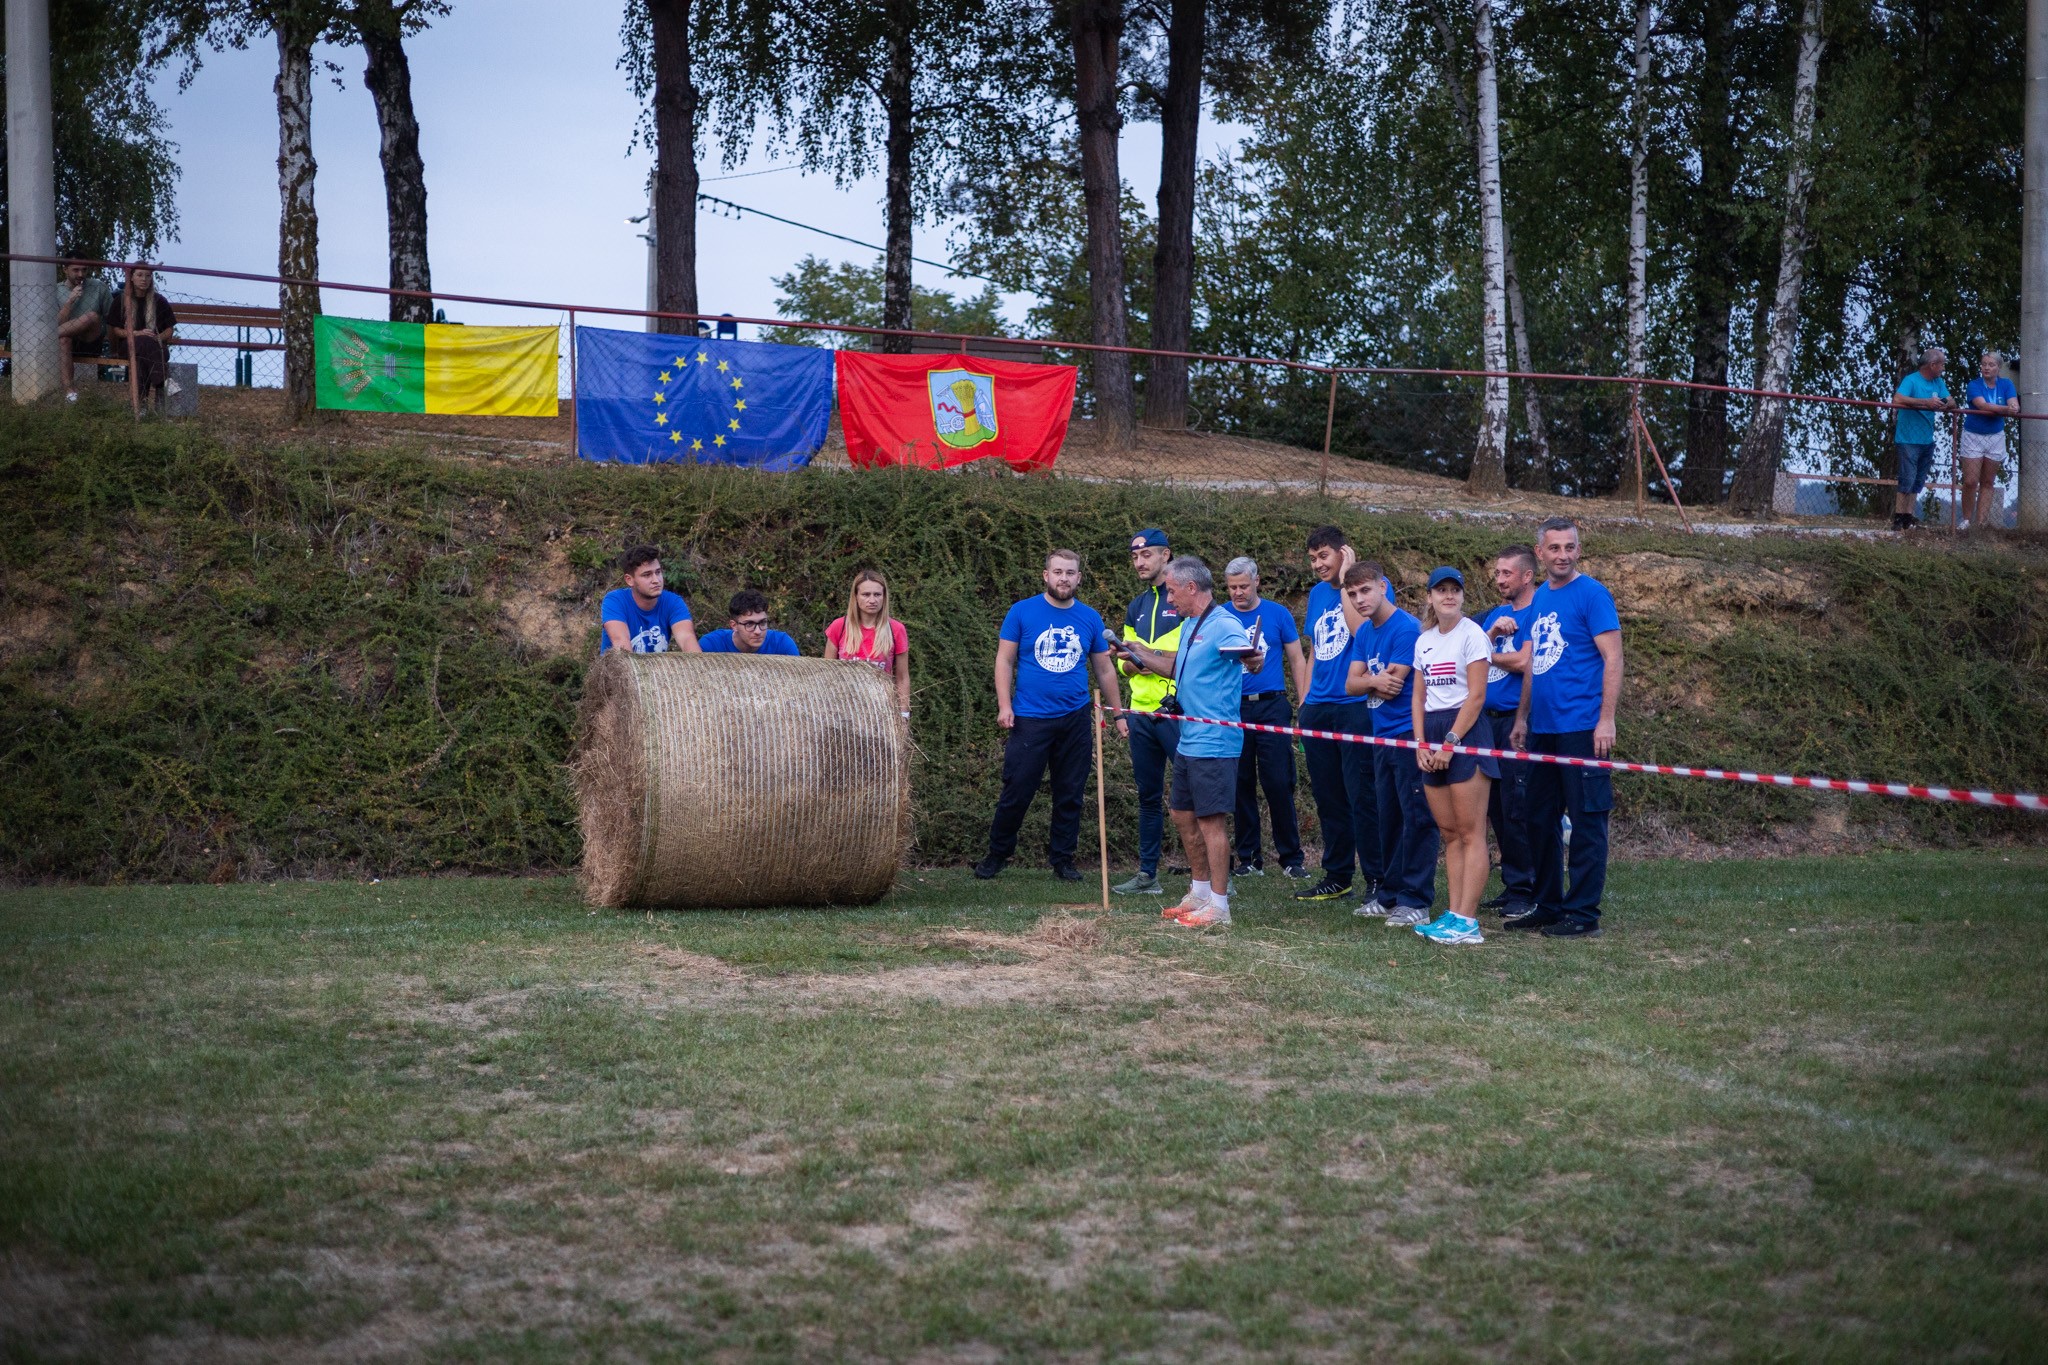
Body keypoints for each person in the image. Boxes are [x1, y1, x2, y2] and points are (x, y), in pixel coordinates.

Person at [1113, 557, 1252, 928]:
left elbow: (1249, 653)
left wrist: (1254, 658)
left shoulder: (1223, 624)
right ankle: (1200, 891)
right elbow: (1177, 666)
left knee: (1211, 822)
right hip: (1190, 738)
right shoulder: (1192, 624)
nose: (1169, 598)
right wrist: (1138, 652)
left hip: (1216, 739)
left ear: (1192, 588)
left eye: (1173, 591)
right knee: (1182, 815)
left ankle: (1220, 907)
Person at [977, 550, 1123, 883]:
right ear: (1046, 575)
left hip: (1075, 718)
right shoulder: (1022, 612)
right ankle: (997, 855)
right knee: (1017, 790)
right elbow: (1004, 661)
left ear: (1078, 578)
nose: (1063, 578)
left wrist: (1118, 714)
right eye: (1057, 572)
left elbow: (1103, 668)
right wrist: (1004, 705)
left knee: (1070, 792)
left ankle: (1063, 860)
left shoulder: (1090, 618)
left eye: (1070, 573)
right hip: (1030, 717)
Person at [1510, 518, 1623, 938]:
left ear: (1578, 549)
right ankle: (1548, 904)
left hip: (1582, 727)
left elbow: (1613, 657)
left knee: (1587, 821)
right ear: (1539, 553)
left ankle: (1583, 914)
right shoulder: (1539, 596)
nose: (1563, 555)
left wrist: (1605, 718)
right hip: (1543, 729)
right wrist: (1522, 717)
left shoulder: (1593, 594)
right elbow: (1533, 664)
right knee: (1538, 819)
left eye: (1570, 547)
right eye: (1554, 548)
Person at [1292, 526, 1383, 912]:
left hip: (1354, 706)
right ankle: (1337, 876)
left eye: (1324, 556)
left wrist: (1347, 579)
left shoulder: (1368, 588)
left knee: (1361, 795)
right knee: (1328, 797)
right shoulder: (1315, 595)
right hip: (1319, 707)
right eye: (1312, 558)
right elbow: (1315, 649)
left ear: (1344, 553)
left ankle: (1377, 879)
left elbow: (1360, 632)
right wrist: (1305, 701)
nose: (1317, 564)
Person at [1409, 568, 1500, 946]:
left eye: (1455, 590)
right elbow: (1418, 696)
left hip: (1465, 733)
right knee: (1449, 833)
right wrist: (1421, 743)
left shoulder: (1473, 635)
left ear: (1462, 597)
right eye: (1441, 590)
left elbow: (1476, 696)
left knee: (1470, 831)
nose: (1449, 596)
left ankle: (1468, 921)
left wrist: (1450, 742)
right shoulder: (1425, 640)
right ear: (1430, 597)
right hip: (1431, 734)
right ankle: (1453, 914)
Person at [1344, 564, 1437, 928]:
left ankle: (1416, 899)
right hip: (1380, 735)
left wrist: (1367, 679)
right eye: (1352, 594)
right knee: (1389, 817)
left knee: (1416, 818)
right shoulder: (1365, 632)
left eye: (1365, 590)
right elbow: (1349, 685)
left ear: (1383, 587)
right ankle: (1389, 895)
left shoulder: (1406, 628)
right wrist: (1371, 680)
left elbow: (1394, 685)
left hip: (1407, 736)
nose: (1359, 599)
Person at [1221, 556, 1309, 881]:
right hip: (1234, 707)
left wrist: (1304, 704)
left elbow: (1297, 659)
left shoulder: (1278, 614)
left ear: (1257, 581)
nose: (1238, 593)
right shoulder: (1220, 617)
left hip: (1273, 705)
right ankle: (1249, 859)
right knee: (1241, 783)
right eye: (1232, 588)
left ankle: (1291, 858)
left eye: (1243, 586)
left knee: (1278, 782)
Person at [1110, 529, 1182, 896]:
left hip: (1177, 713)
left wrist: (1147, 659)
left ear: (1165, 555)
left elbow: (1190, 658)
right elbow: (1124, 664)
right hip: (1139, 712)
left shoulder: (1185, 598)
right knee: (1148, 796)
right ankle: (1147, 875)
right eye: (1135, 557)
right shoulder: (1136, 605)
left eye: (1147, 555)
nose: (1140, 562)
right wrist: (1132, 663)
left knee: (1194, 795)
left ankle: (1218, 876)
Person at [1478, 545, 1538, 919]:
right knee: (1497, 808)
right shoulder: (1497, 614)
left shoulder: (1539, 610)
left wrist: (1489, 654)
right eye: (1497, 573)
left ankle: (1528, 889)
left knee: (1518, 806)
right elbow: (1464, 653)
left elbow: (1524, 661)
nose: (1499, 580)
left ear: (1527, 575)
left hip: (1517, 721)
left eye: (1506, 573)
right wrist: (1489, 633)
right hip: (1488, 721)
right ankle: (1513, 883)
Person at [825, 570, 912, 718]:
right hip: (843, 708)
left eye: (877, 594)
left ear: (884, 597)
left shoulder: (896, 629)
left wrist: (904, 714)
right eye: (866, 595)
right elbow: (826, 673)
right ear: (856, 597)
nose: (872, 600)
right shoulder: (839, 626)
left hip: (881, 709)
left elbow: (902, 677)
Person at [1890, 346, 1954, 532]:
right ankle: (1898, 517)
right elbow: (1898, 399)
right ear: (1932, 365)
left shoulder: (1938, 382)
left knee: (1918, 480)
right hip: (1908, 438)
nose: (1943, 368)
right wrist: (1924, 403)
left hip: (1927, 438)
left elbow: (1952, 401)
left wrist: (1944, 404)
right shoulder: (1911, 380)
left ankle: (1908, 517)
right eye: (1941, 365)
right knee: (1907, 478)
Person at [599, 545, 701, 654]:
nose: (656, 580)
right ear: (629, 580)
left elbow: (686, 638)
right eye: (647, 575)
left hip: (656, 670)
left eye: (658, 572)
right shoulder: (615, 601)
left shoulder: (673, 602)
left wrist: (697, 668)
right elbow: (620, 641)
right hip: (619, 669)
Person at [1960, 351, 2019, 532]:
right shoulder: (1974, 385)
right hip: (1973, 435)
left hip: (1995, 436)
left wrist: (2013, 407)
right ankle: (1966, 520)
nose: (1986, 367)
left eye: (1991, 365)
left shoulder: (2006, 384)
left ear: (1998, 368)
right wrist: (2006, 409)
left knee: (1988, 481)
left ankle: (1981, 523)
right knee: (1970, 481)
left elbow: (2014, 404)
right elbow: (1983, 406)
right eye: (1984, 364)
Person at [107, 266, 179, 414]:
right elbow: (115, 330)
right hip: (128, 345)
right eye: (139, 275)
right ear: (131, 278)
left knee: (141, 358)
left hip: (155, 349)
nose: (144, 279)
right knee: (141, 342)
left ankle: (140, 407)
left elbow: (169, 330)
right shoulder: (121, 300)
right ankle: (163, 381)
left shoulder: (159, 301)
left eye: (148, 276)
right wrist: (136, 333)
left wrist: (156, 338)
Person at [57, 261, 114, 403]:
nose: (81, 274)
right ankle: (71, 394)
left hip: (91, 341)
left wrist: (114, 347)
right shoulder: (56, 290)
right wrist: (70, 301)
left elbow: (112, 317)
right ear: (65, 269)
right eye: (76, 270)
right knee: (64, 339)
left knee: (92, 316)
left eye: (84, 270)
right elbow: (57, 323)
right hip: (66, 343)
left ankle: (47, 337)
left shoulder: (98, 287)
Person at [699, 589, 801, 656]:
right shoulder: (711, 645)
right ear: (734, 625)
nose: (758, 631)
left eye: (762, 623)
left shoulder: (782, 644)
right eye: (749, 624)